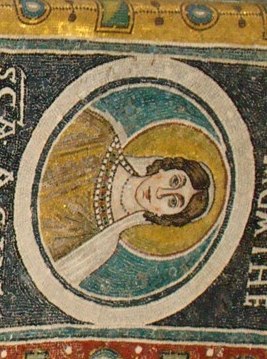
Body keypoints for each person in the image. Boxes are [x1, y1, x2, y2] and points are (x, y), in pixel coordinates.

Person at [39, 109, 213, 286]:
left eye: (173, 202)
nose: (161, 193)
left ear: (165, 216)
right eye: (175, 181)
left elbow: (45, 277)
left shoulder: (99, 247)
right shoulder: (99, 136)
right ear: (165, 168)